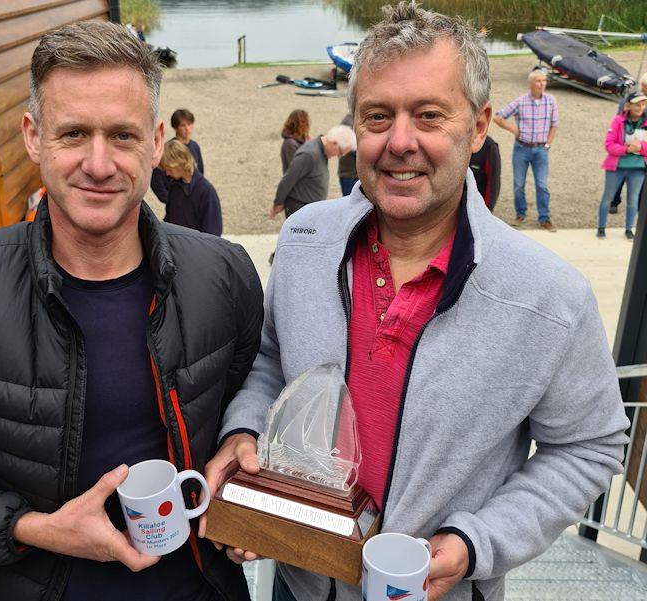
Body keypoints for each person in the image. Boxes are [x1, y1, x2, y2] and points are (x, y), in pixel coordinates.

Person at [202, 3, 629, 601]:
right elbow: (273, 361)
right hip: (296, 585)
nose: (400, 142)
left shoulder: (548, 297)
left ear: (479, 126)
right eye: (378, 117)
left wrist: (479, 540)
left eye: (429, 116)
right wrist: (243, 432)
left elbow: (591, 444)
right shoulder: (303, 239)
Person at [0, 21, 263, 601]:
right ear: (33, 136)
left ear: (154, 141)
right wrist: (34, 529)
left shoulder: (224, 274)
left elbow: (254, 403)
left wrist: (243, 470)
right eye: (73, 133)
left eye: (121, 136)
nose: (98, 165)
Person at [493, 68, 559, 231]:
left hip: (541, 150)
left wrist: (548, 144)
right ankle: (520, 213)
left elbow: (554, 125)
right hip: (521, 149)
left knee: (542, 185)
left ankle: (544, 218)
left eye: (544, 81)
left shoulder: (551, 101)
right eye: (538, 81)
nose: (542, 84)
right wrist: (514, 129)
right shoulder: (521, 101)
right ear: (530, 84)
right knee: (518, 184)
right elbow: (497, 116)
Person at [270, 124, 356, 219]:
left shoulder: (322, 152)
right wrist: (278, 203)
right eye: (340, 153)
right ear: (334, 143)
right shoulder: (309, 154)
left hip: (309, 209)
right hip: (300, 210)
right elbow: (288, 179)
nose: (338, 156)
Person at [596, 90, 647, 240]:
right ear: (628, 106)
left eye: (643, 104)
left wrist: (640, 147)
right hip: (616, 167)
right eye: (637, 104)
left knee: (633, 200)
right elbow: (609, 145)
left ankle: (629, 229)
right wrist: (626, 149)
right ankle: (601, 227)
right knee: (608, 197)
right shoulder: (618, 121)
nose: (640, 107)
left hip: (637, 168)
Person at [161, 139, 223, 236]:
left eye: (169, 169)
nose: (167, 173)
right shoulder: (174, 187)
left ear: (179, 163)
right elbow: (170, 220)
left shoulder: (207, 193)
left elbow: (213, 236)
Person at [611, 73, 647, 213]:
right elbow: (621, 117)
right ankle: (614, 201)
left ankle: (639, 205)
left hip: (642, 145)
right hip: (627, 141)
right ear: (644, 86)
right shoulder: (630, 99)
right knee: (622, 171)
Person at [151, 108, 204, 202]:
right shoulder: (167, 150)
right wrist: (172, 200)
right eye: (183, 125)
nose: (187, 129)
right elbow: (156, 181)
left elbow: (200, 171)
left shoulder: (195, 146)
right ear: (175, 127)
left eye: (189, 124)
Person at [468, 134, 501, 211]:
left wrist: (487, 210)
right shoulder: (454, 141)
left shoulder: (489, 147)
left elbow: (493, 183)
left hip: (477, 206)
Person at [280, 109, 310, 173]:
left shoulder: (303, 139)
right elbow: (296, 168)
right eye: (306, 122)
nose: (308, 125)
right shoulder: (290, 143)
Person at [339, 113, 359, 196]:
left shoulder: (353, 119)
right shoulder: (349, 121)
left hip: (352, 174)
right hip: (350, 175)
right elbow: (348, 145)